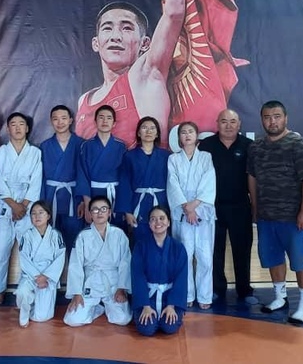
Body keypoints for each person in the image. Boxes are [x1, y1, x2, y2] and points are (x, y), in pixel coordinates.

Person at [74, 0, 185, 147]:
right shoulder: (83, 101)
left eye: (126, 28)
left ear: (145, 44)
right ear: (96, 43)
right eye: (107, 28)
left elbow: (173, 13)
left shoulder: (145, 77)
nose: (115, 37)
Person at [247, 100, 303, 324]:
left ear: (285, 118)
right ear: (262, 120)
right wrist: (255, 206)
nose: (272, 121)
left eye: (277, 116)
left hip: (293, 217)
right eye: (267, 117)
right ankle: (280, 298)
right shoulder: (256, 147)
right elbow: (252, 177)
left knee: (301, 261)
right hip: (267, 217)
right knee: (273, 258)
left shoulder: (298, 144)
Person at [198, 109, 258, 305]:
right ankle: (217, 289)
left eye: (233, 121)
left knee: (242, 249)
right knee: (215, 250)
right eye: (224, 121)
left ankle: (245, 290)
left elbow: (253, 178)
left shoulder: (248, 146)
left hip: (240, 206)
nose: (228, 125)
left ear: (239, 124)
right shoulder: (206, 145)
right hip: (212, 207)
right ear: (217, 123)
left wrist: (255, 206)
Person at [0, 112, 43, 305]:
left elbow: (36, 182)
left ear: (27, 128)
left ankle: (26, 289)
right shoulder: (1, 153)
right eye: (13, 124)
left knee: (28, 251)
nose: (18, 128)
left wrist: (23, 206)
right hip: (5, 206)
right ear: (8, 129)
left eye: (21, 124)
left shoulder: (35, 153)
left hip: (27, 207)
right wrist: (13, 205)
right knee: (0, 250)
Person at [167, 121, 216, 309]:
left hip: (202, 210)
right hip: (182, 211)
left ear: (197, 136)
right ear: (179, 138)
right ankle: (186, 294)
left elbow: (209, 182)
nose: (187, 135)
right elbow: (173, 184)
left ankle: (204, 296)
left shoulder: (206, 157)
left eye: (191, 132)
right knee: (184, 256)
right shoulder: (173, 159)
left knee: (205, 257)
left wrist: (194, 206)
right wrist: (187, 208)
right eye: (183, 132)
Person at [63, 196, 132, 327]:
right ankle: (97, 308)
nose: (99, 212)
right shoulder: (83, 236)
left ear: (109, 212)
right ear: (90, 214)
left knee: (123, 319)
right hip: (90, 282)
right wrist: (77, 293)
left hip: (113, 282)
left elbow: (125, 262)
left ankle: (107, 306)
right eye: (95, 210)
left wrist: (122, 288)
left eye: (103, 209)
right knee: (72, 319)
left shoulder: (119, 234)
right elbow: (75, 265)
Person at [131, 206, 188, 337]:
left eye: (162, 218)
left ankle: (169, 310)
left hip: (170, 297)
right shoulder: (140, 246)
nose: (158, 222)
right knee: (147, 328)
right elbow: (137, 276)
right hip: (147, 297)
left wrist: (171, 305)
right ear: (149, 224)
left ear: (168, 222)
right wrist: (145, 305)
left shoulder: (178, 248)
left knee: (170, 327)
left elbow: (181, 279)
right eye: (153, 219)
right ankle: (146, 311)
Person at [116, 116, 170, 246]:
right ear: (139, 133)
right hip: (138, 204)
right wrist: (128, 212)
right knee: (140, 241)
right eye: (144, 128)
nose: (148, 131)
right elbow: (124, 184)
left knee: (161, 241)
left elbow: (172, 184)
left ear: (157, 134)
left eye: (152, 128)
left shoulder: (167, 156)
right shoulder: (129, 156)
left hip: (161, 203)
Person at [40, 105, 85, 252]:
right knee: (51, 242)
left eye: (64, 118)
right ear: (51, 121)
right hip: (50, 197)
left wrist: (83, 201)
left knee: (74, 241)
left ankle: (72, 268)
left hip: (74, 199)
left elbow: (84, 174)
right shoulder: (45, 146)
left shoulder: (81, 144)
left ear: (71, 120)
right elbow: (41, 177)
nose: (60, 122)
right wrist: (42, 202)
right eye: (56, 119)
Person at [16, 201, 66, 327]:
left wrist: (46, 276)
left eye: (41, 213)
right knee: (22, 292)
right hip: (31, 275)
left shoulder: (56, 235)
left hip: (48, 277)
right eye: (33, 214)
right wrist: (36, 276)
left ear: (48, 216)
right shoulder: (27, 235)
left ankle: (32, 302)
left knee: (41, 317)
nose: (37, 216)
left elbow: (60, 258)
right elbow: (24, 258)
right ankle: (25, 308)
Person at [76, 105, 126, 226]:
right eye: (101, 117)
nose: (105, 121)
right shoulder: (86, 146)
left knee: (117, 230)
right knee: (95, 229)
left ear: (114, 123)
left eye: (109, 118)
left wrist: (124, 205)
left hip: (116, 195)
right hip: (94, 194)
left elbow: (125, 177)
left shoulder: (121, 146)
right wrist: (87, 204)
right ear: (95, 121)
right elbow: (82, 176)